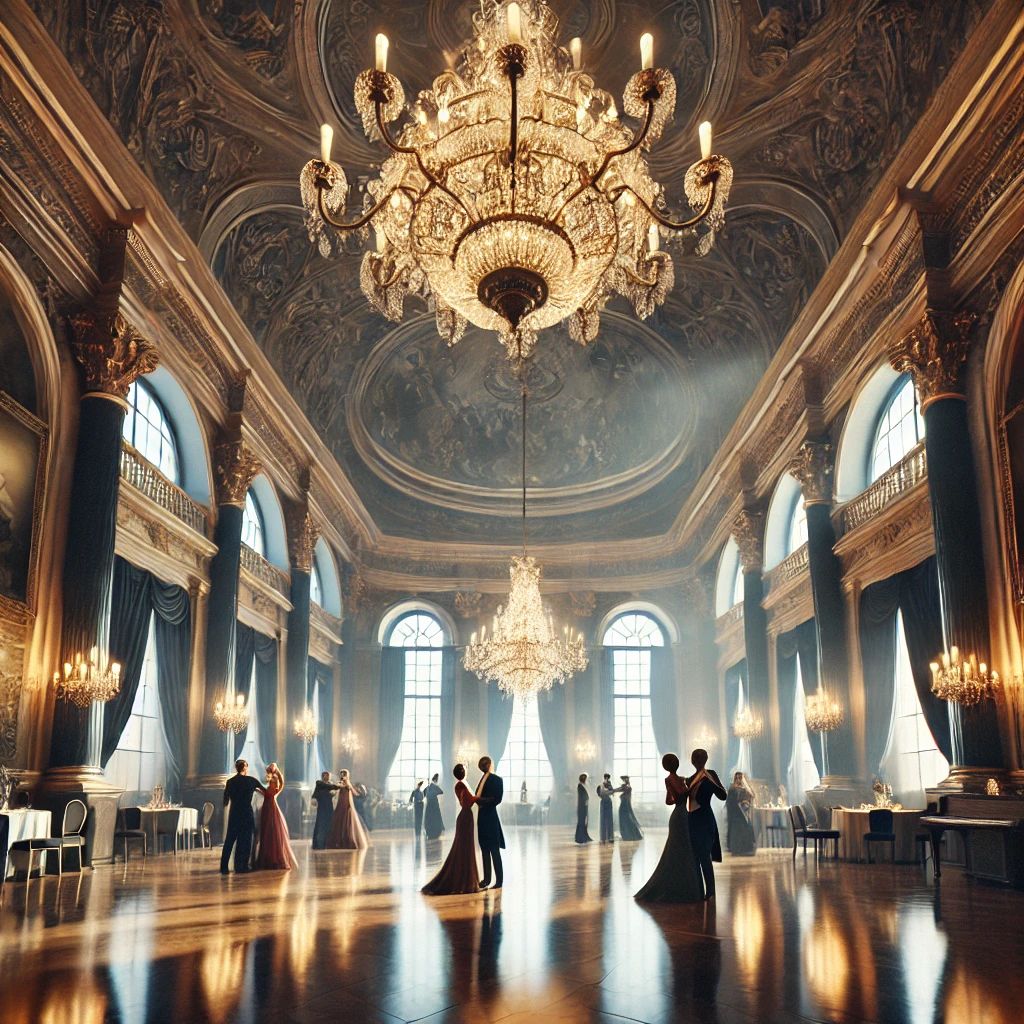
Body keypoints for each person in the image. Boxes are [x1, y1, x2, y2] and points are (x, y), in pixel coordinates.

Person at [634, 753, 704, 903]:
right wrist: (686, 788)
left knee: (679, 849)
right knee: (681, 848)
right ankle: (686, 887)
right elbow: (679, 796)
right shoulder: (676, 779)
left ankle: (680, 885)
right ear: (675, 764)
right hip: (682, 815)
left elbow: (668, 801)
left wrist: (679, 789)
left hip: (679, 815)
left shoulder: (672, 779)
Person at [422, 764, 482, 895]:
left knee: (465, 848)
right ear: (463, 772)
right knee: (464, 848)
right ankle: (465, 881)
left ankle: (467, 878)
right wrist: (479, 797)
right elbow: (468, 802)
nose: (467, 770)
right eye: (466, 769)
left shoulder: (461, 784)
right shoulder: (461, 785)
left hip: (466, 817)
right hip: (466, 817)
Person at [687, 749, 727, 899]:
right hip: (692, 820)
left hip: (705, 819)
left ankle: (710, 892)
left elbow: (723, 796)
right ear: (692, 761)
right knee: (695, 857)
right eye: (696, 758)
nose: (698, 761)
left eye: (701, 758)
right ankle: (699, 890)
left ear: (706, 759)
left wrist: (711, 781)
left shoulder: (711, 774)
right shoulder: (689, 780)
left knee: (704, 855)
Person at [221, 759, 266, 875]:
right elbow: (266, 792)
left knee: (230, 840)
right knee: (245, 841)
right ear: (245, 768)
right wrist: (254, 790)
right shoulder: (251, 781)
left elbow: (225, 801)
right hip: (246, 813)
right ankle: (242, 866)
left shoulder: (230, 782)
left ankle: (224, 867)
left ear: (237, 768)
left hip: (235, 813)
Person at [255, 763, 298, 870]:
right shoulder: (270, 783)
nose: (268, 774)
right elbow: (266, 793)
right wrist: (258, 789)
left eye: (269, 771)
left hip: (271, 808)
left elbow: (276, 787)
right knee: (267, 831)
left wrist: (276, 771)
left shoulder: (275, 782)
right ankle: (268, 857)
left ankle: (273, 858)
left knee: (272, 831)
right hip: (266, 807)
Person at [475, 755, 504, 889]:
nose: (484, 766)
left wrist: (479, 801)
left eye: (484, 764)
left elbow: (496, 799)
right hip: (483, 817)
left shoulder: (496, 780)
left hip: (490, 817)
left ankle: (499, 881)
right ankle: (487, 879)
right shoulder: (483, 779)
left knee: (494, 849)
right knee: (485, 849)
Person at [328, 769, 370, 849]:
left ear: (347, 775)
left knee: (348, 822)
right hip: (340, 804)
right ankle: (339, 842)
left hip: (348, 805)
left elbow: (355, 793)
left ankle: (348, 841)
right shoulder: (340, 783)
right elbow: (335, 791)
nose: (343, 775)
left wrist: (348, 786)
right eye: (342, 774)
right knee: (338, 823)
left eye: (344, 774)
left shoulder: (348, 783)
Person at [726, 771, 758, 856]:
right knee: (738, 827)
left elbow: (752, 796)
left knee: (748, 826)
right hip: (735, 813)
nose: (738, 780)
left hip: (743, 812)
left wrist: (746, 802)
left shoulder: (745, 789)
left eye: (740, 778)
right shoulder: (732, 788)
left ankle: (747, 848)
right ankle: (737, 848)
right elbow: (730, 802)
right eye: (736, 778)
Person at [311, 771, 340, 850]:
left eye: (327, 775)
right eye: (324, 775)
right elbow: (315, 794)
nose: (325, 777)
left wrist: (335, 790)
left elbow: (334, 793)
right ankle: (319, 845)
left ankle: (328, 844)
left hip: (329, 807)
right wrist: (337, 786)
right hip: (321, 808)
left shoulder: (330, 785)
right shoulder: (319, 783)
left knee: (329, 824)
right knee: (321, 825)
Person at [617, 775, 644, 841]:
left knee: (626, 819)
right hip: (624, 805)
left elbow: (618, 790)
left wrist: (612, 790)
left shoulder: (627, 787)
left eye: (624, 779)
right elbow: (619, 789)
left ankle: (628, 835)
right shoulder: (626, 787)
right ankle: (626, 834)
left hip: (624, 806)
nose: (623, 781)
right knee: (626, 819)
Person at [424, 773, 445, 840]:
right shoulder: (435, 787)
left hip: (429, 806)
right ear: (436, 780)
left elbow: (424, 794)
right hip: (434, 805)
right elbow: (441, 792)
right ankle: (435, 833)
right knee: (435, 818)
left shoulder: (428, 787)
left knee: (429, 819)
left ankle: (429, 833)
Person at [596, 773, 615, 843]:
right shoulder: (601, 785)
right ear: (604, 778)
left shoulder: (610, 785)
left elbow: (612, 792)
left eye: (608, 777)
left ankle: (610, 837)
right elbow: (600, 793)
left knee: (609, 819)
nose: (606, 778)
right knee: (603, 819)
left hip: (608, 802)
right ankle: (603, 837)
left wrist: (609, 791)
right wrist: (607, 792)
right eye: (605, 777)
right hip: (603, 802)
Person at [574, 772, 592, 844]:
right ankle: (580, 838)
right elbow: (582, 797)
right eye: (585, 778)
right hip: (582, 807)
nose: (586, 780)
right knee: (581, 822)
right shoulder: (580, 786)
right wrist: (586, 801)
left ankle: (584, 836)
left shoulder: (583, 786)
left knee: (584, 821)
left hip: (584, 806)